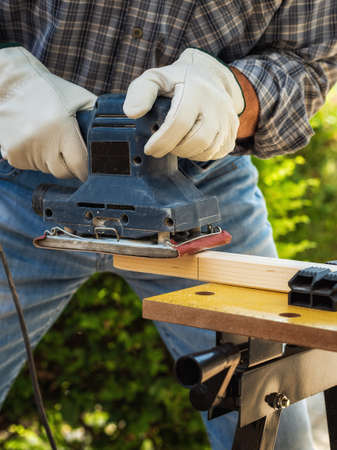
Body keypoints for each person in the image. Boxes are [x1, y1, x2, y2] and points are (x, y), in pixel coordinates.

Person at [0, 1, 336, 448]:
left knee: (275, 423)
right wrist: (5, 82)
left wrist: (236, 94)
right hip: (20, 168)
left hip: (200, 184)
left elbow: (308, 61)